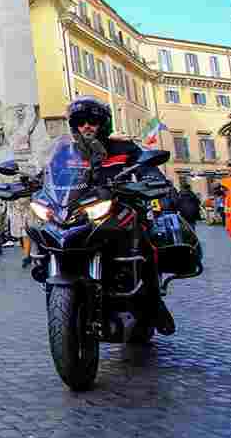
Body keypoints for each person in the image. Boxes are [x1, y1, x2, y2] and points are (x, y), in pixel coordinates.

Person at [67, 96, 174, 332]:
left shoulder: (123, 148)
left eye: (92, 121)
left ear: (102, 124)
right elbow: (50, 175)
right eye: (81, 121)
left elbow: (147, 168)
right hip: (81, 214)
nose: (86, 126)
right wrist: (32, 183)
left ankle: (154, 302)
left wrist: (152, 180)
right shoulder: (69, 153)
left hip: (121, 209)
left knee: (145, 240)